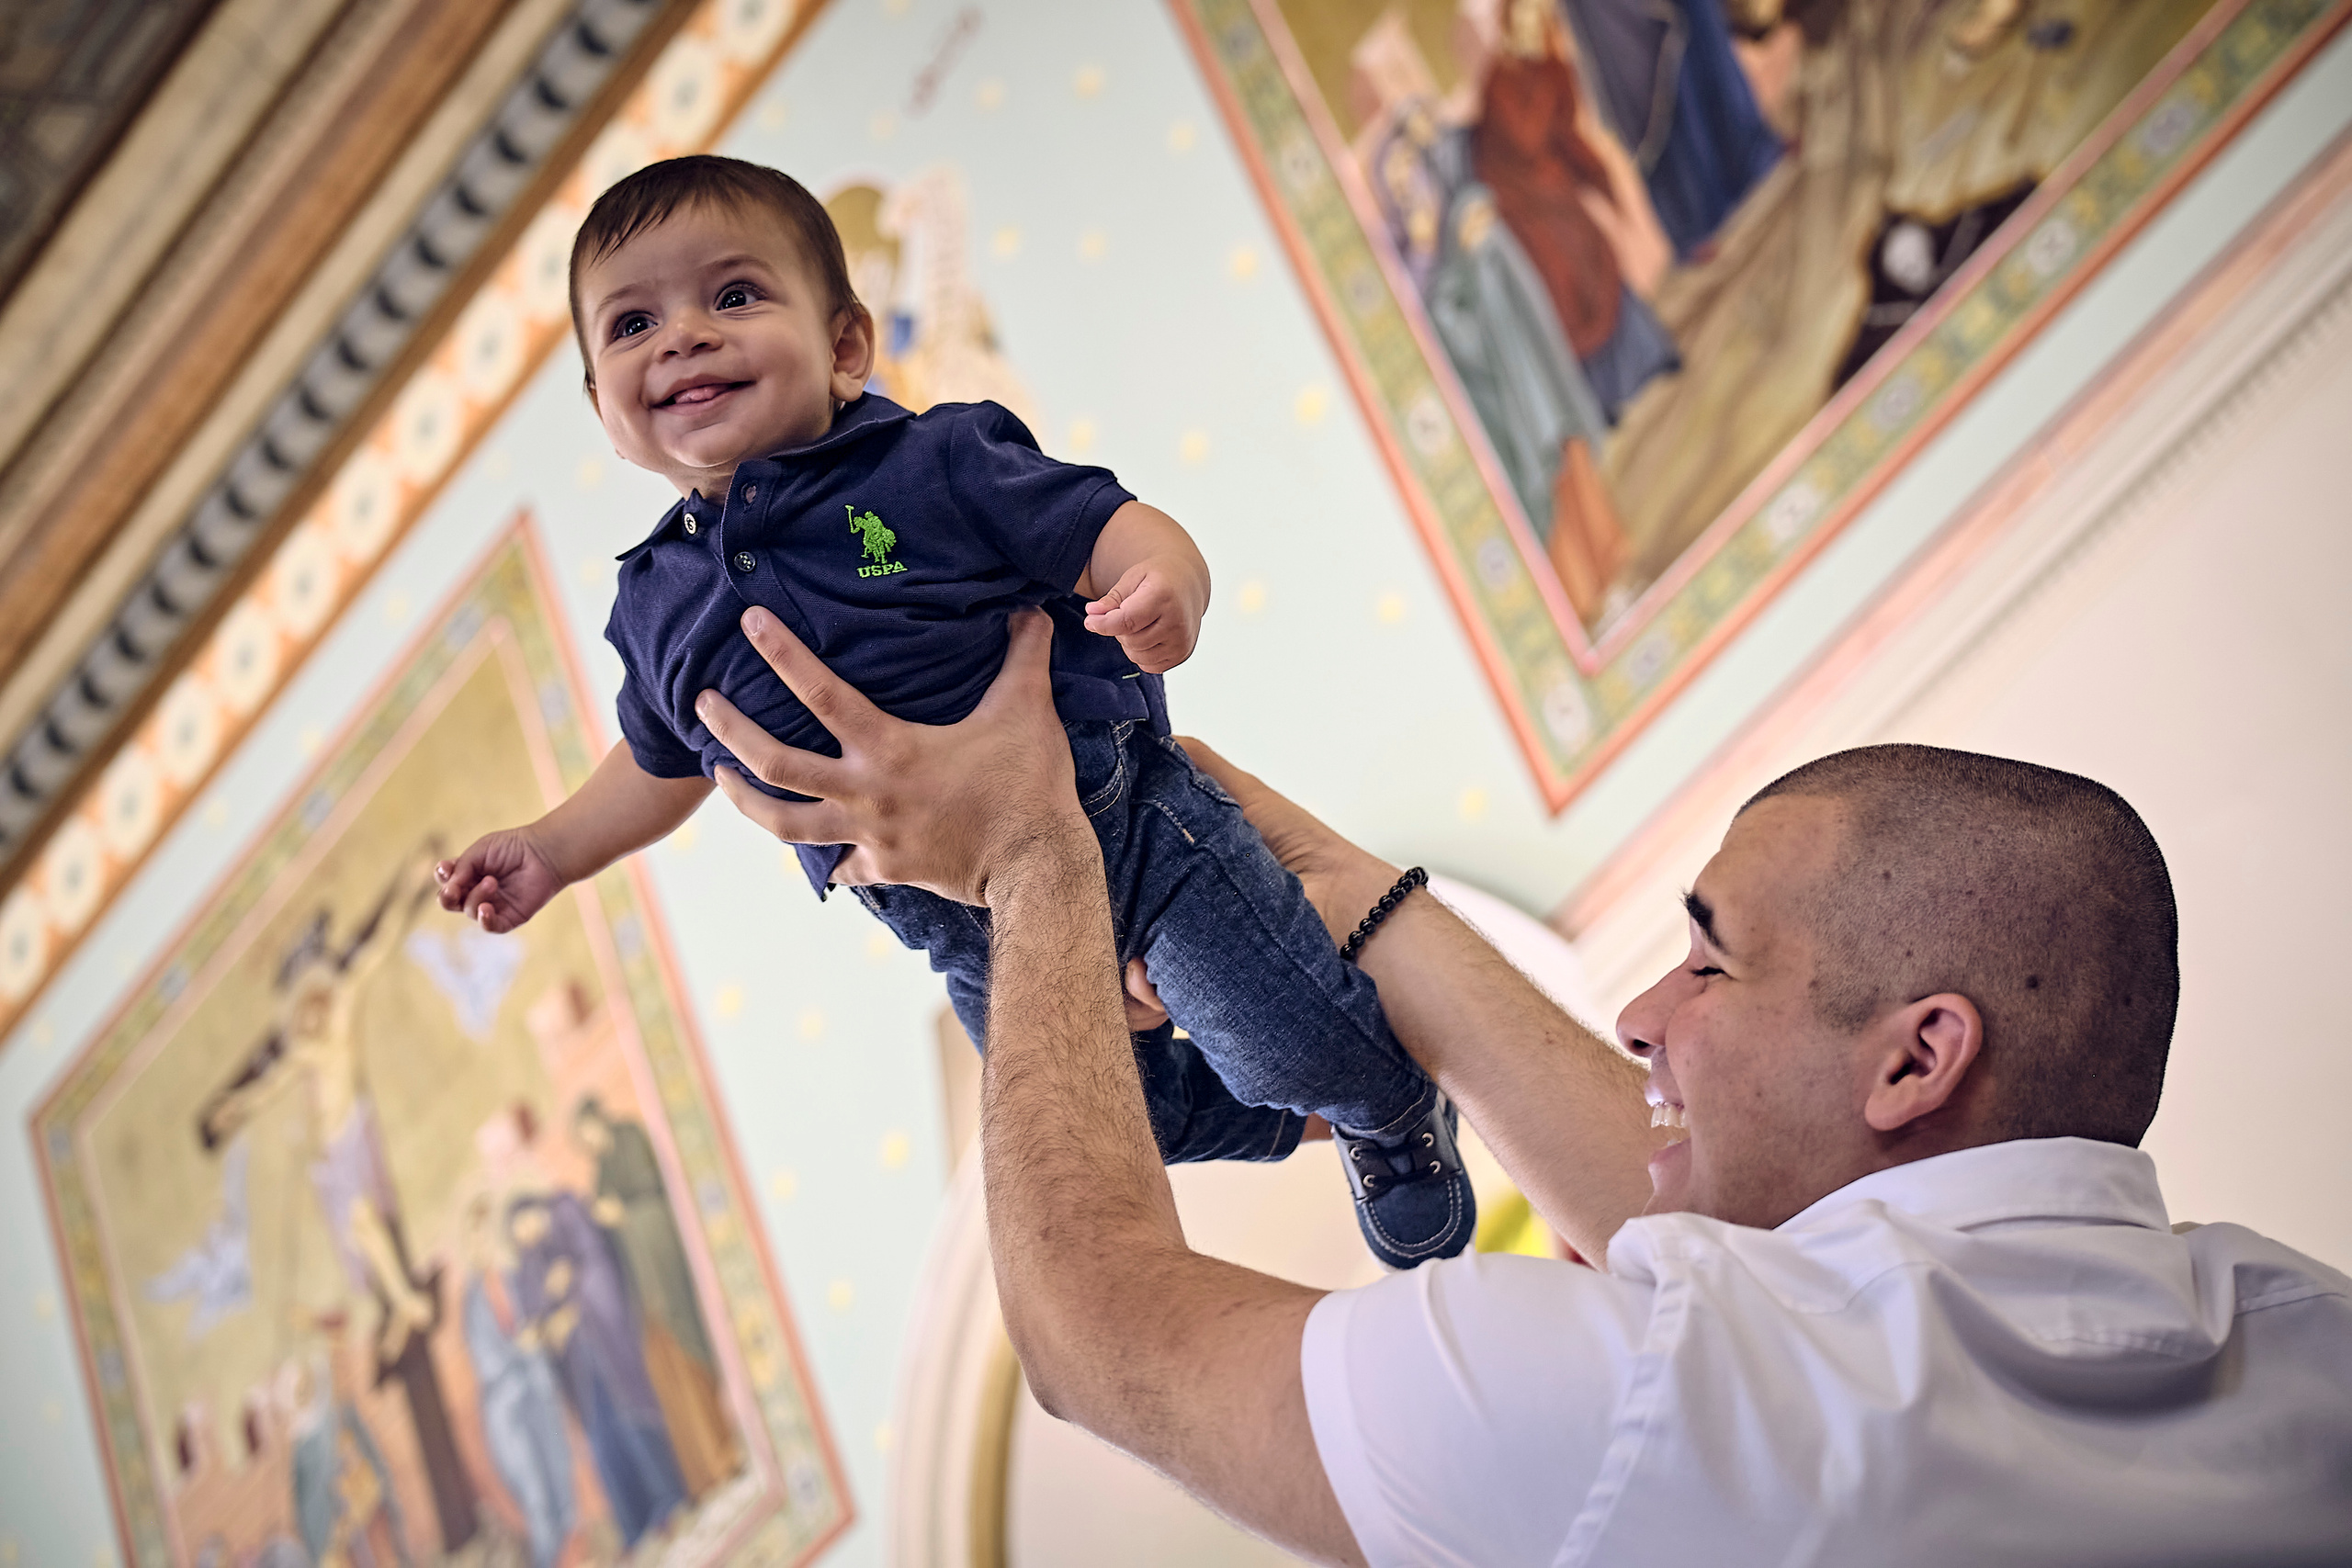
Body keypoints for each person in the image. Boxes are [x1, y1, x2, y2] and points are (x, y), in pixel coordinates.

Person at [693, 607, 2352, 1566]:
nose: (1639, 1013)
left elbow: (1097, 1340)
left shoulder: (1652, 1403)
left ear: (1918, 1055)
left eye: (1710, 962)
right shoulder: (2303, 1341)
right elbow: (1733, 1266)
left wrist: (1031, 859)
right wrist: (1172, 799)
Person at [432, 153, 1473, 1268]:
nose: (683, 335)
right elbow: (657, 762)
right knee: (1100, 1118)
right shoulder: (653, 599)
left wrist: (1168, 582)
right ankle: (1306, 1121)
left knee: (1282, 1033)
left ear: (844, 349)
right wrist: (551, 850)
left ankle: (1386, 1113)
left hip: (1121, 821)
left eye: (733, 296)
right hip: (947, 914)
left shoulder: (930, 461)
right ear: (604, 408)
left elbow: (1102, 521)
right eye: (632, 323)